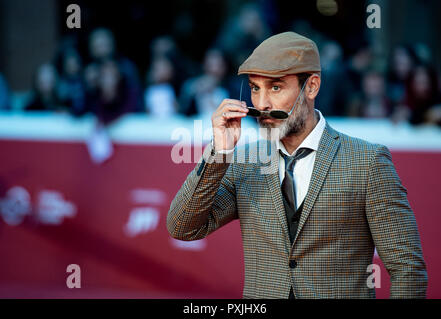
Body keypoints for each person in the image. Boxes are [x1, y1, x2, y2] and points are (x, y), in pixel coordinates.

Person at [167, 32, 427, 298]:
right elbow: (183, 226)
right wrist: (219, 152)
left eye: (276, 87)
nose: (263, 103)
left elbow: (406, 268)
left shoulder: (367, 162)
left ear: (312, 86)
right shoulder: (245, 162)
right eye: (256, 88)